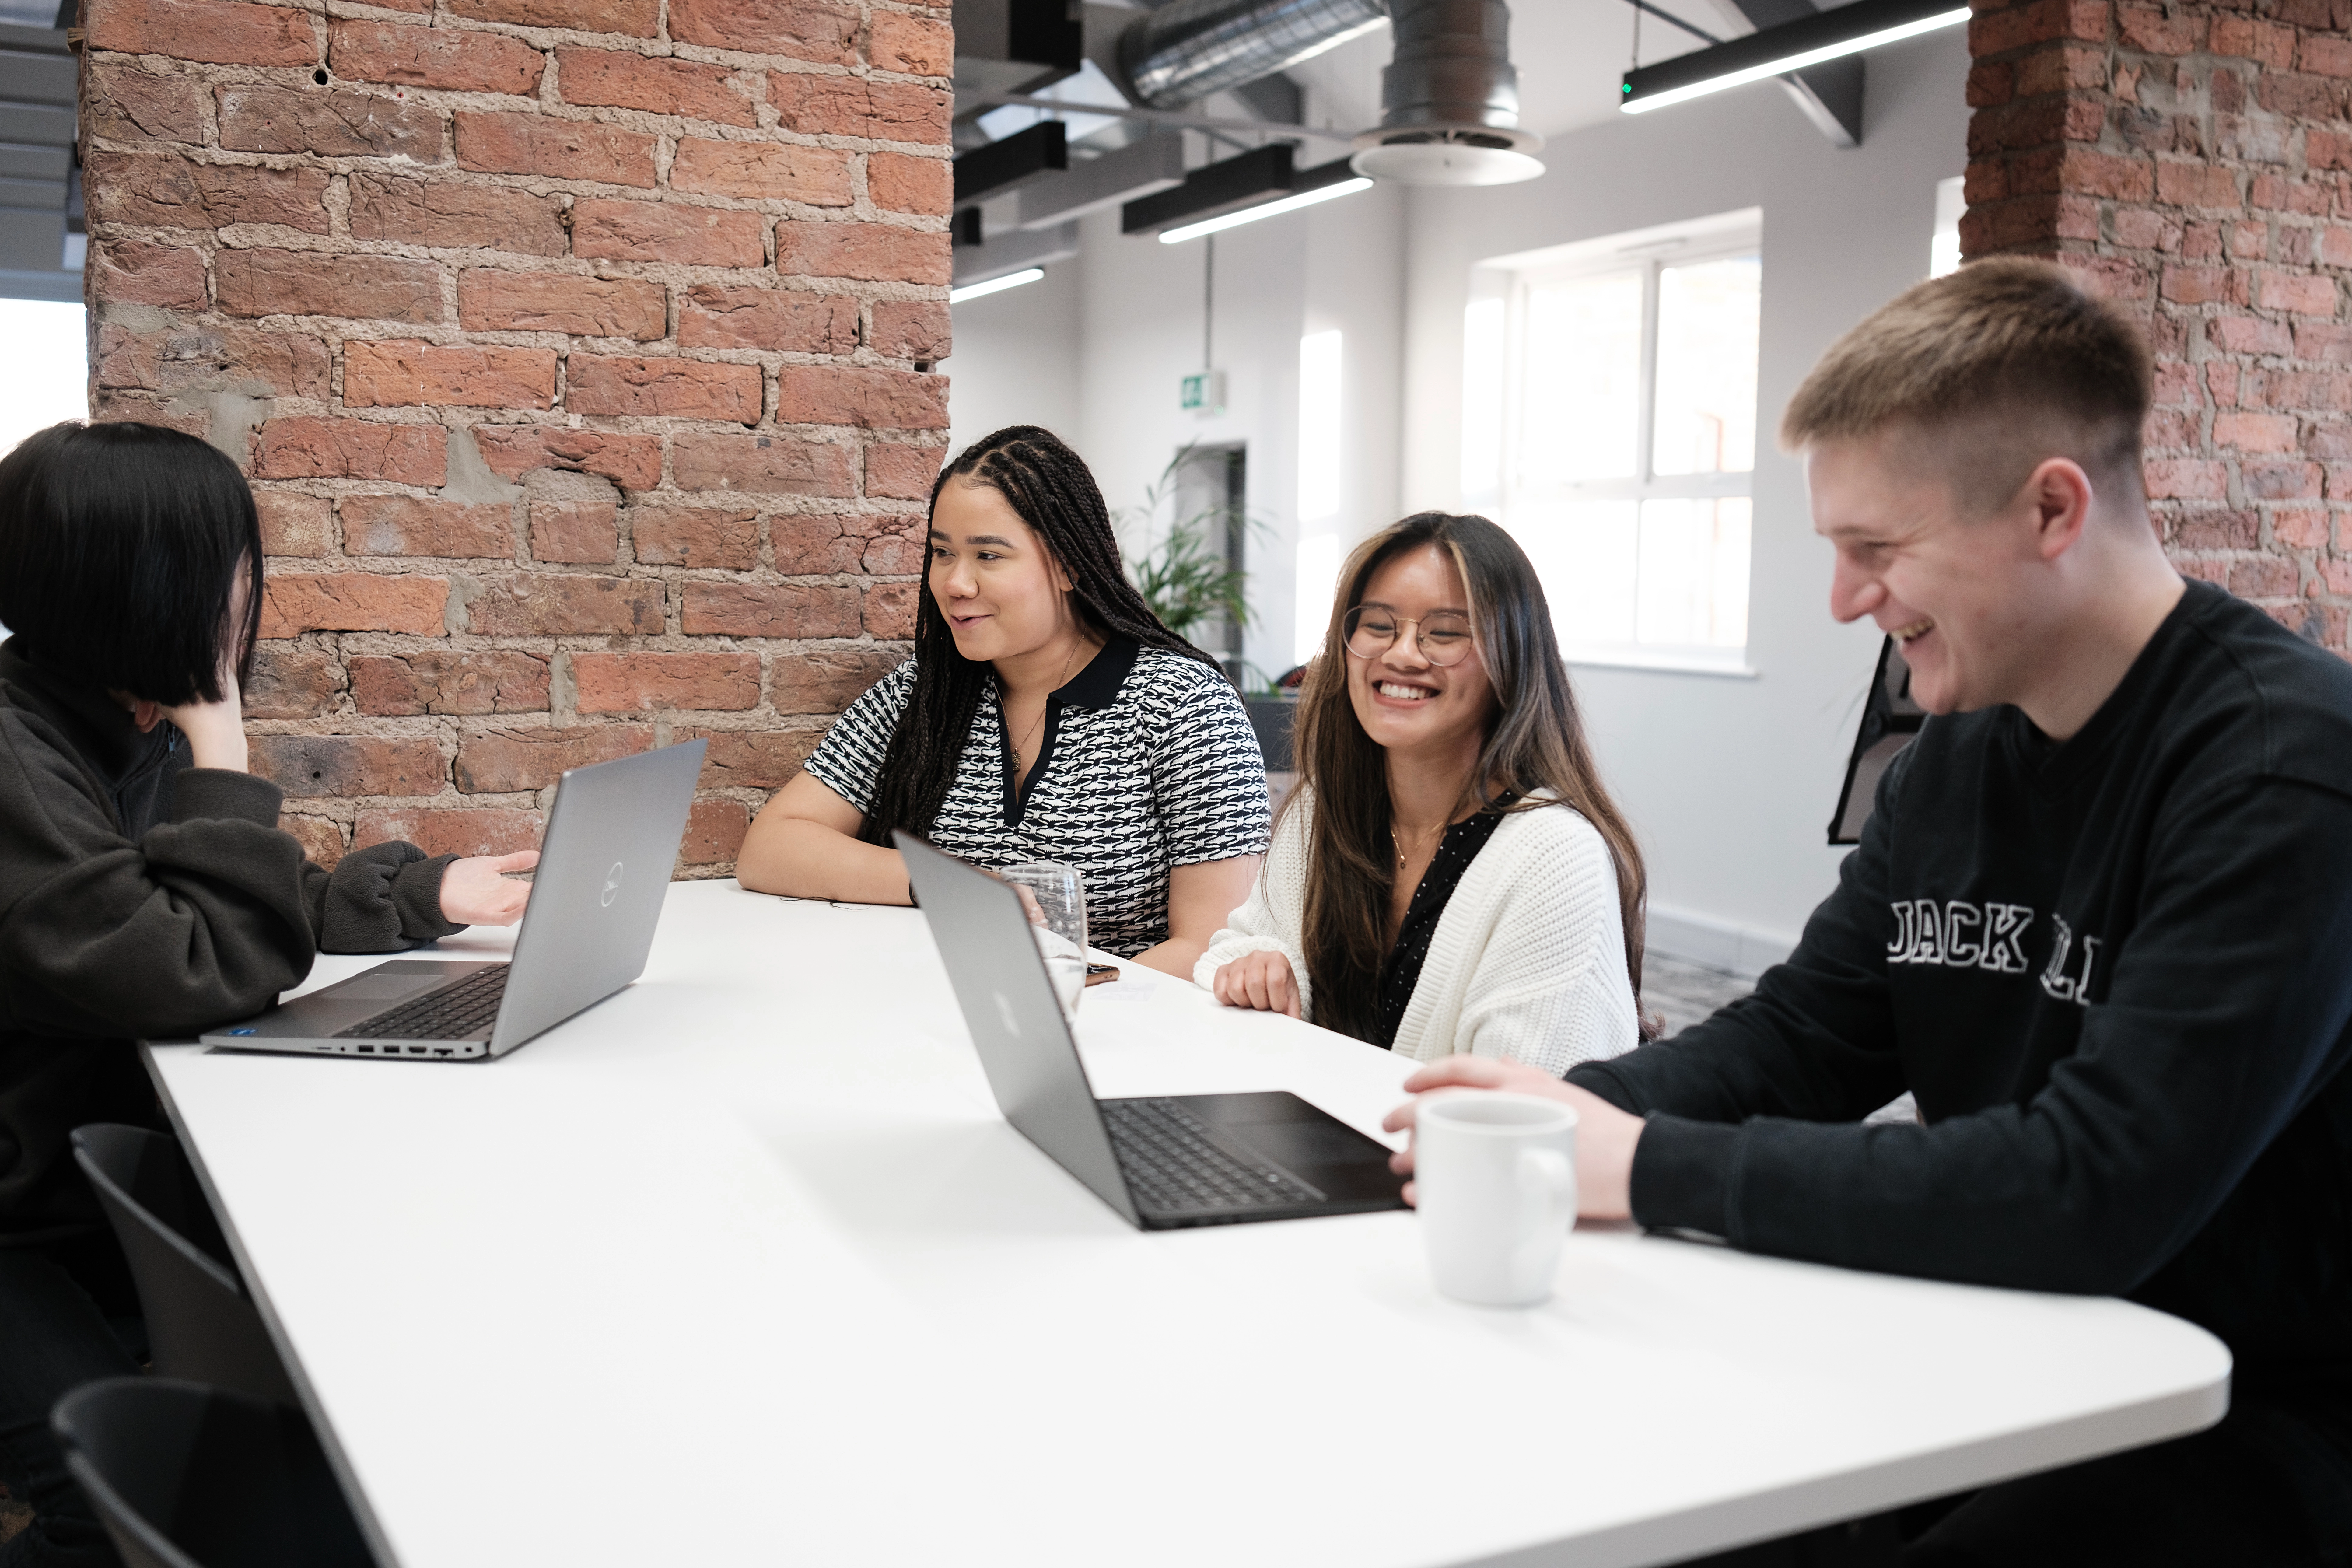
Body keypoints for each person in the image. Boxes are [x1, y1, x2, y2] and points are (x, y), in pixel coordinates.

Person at [1385, 261, 2352, 1564]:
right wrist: (1561, 1113)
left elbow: (2093, 1186)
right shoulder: (1953, 750)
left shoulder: (2283, 768)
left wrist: (1642, 1165)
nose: (1844, 600)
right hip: (2018, 1334)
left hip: (2248, 1404)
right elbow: (1805, 1035)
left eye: (1876, 551)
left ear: (2051, 509)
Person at [0, 421, 538, 1568]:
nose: (247, 595)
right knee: (106, 1512)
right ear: (137, 584)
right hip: (18, 1222)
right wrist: (223, 746)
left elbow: (211, 902)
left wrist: (424, 892)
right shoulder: (17, 759)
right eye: (228, 568)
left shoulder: (101, 719)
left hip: (61, 1182)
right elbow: (183, 963)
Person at [735, 426, 1269, 978]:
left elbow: (1211, 944)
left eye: (988, 555)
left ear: (1069, 565)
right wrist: (953, 884)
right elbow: (771, 847)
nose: (956, 583)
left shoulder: (1186, 705)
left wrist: (1060, 998)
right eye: (943, 553)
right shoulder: (926, 691)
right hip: (939, 1005)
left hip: (1119, 1020)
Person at [1196, 512, 1648, 1074]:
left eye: (1446, 633)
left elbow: (1524, 1104)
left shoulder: (1556, 857)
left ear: (1511, 657)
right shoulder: (1323, 808)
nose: (1403, 654)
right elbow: (1241, 945)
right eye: (1378, 625)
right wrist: (1261, 969)